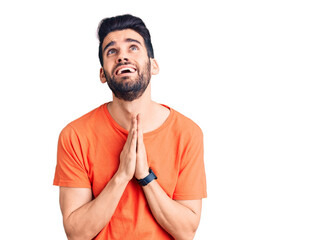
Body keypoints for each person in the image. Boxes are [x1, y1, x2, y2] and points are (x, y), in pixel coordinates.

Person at [53, 14, 207, 240]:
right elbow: (76, 234)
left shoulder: (187, 133)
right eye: (112, 51)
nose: (123, 56)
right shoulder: (75, 135)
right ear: (102, 74)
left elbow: (186, 232)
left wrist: (144, 176)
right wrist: (122, 175)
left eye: (133, 48)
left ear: (153, 65)